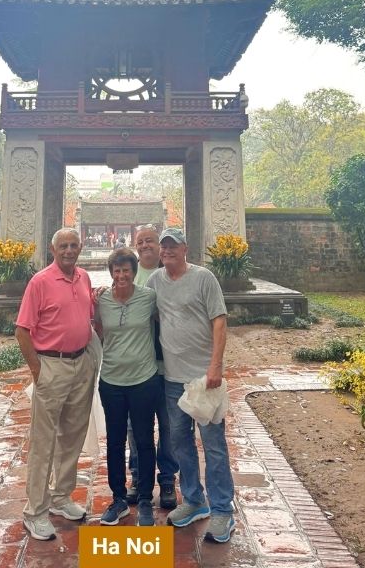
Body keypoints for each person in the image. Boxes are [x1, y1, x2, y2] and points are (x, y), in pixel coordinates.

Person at [146, 227, 236, 542]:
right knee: (179, 443)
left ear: (185, 248)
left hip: (204, 376)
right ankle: (195, 500)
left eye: (173, 245)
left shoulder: (203, 278)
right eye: (164, 246)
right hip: (173, 378)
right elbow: (142, 311)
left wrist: (216, 365)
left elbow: (220, 321)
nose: (168, 250)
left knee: (213, 444)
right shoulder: (155, 281)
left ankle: (223, 509)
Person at [15, 228, 99, 541]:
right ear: (53, 249)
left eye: (73, 245)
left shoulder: (84, 278)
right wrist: (38, 370)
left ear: (80, 248)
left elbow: (88, 317)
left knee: (73, 436)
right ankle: (35, 511)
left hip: (81, 365)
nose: (68, 250)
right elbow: (23, 330)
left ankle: (61, 496)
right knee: (43, 441)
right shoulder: (40, 282)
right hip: (51, 365)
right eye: (63, 245)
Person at [94, 247, 162, 527]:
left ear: (134, 272)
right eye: (117, 270)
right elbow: (97, 328)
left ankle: (145, 499)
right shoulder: (101, 300)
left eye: (126, 270)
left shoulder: (148, 297)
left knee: (145, 440)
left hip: (144, 379)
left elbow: (167, 321)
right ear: (111, 273)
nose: (121, 275)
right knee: (115, 440)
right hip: (111, 381)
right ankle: (119, 498)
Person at [123, 224, 179, 510]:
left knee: (170, 425)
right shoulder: (130, 275)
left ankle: (167, 479)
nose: (146, 245)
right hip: (139, 365)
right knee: (137, 426)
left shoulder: (170, 273)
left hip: (169, 363)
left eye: (151, 241)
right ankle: (137, 476)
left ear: (160, 245)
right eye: (140, 241)